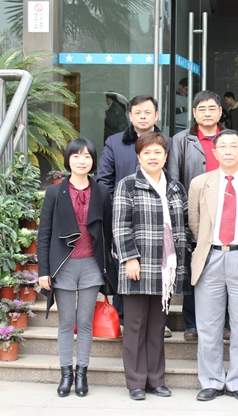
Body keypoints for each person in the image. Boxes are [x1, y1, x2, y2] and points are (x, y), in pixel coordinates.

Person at [188, 129, 238, 403]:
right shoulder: (200, 183)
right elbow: (195, 223)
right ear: (214, 152)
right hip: (210, 258)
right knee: (208, 324)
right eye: (222, 146)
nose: (228, 151)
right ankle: (211, 380)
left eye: (234, 146)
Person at [112, 131, 191, 401]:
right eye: (147, 153)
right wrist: (129, 258)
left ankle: (156, 380)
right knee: (135, 325)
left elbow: (183, 226)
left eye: (158, 152)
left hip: (165, 269)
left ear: (166, 156)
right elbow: (120, 225)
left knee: (157, 326)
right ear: (139, 156)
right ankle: (136, 382)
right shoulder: (127, 185)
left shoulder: (176, 188)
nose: (153, 157)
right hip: (138, 265)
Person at [38, 138, 117, 398]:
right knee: (66, 322)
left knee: (84, 322)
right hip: (63, 265)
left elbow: (107, 231)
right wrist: (43, 271)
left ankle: (82, 373)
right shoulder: (54, 192)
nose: (82, 161)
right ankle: (65, 374)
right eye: (76, 156)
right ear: (68, 160)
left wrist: (107, 263)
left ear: (93, 161)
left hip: (91, 265)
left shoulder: (101, 192)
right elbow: (44, 233)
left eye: (87, 156)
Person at [98, 95, 172, 337]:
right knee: (125, 266)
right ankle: (123, 319)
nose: (142, 116)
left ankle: (158, 320)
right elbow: (104, 180)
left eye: (147, 112)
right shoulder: (114, 142)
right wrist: (115, 211)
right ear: (130, 116)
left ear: (156, 115)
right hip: (124, 218)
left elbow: (173, 177)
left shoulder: (167, 142)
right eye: (137, 112)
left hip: (157, 219)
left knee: (158, 267)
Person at [168, 90, 224, 341]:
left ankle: (223, 323)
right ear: (193, 113)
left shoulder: (230, 138)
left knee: (224, 270)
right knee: (195, 270)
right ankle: (192, 323)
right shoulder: (181, 140)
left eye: (212, 108)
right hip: (194, 215)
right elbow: (174, 180)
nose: (207, 113)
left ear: (220, 112)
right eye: (202, 109)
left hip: (225, 213)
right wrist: (182, 214)